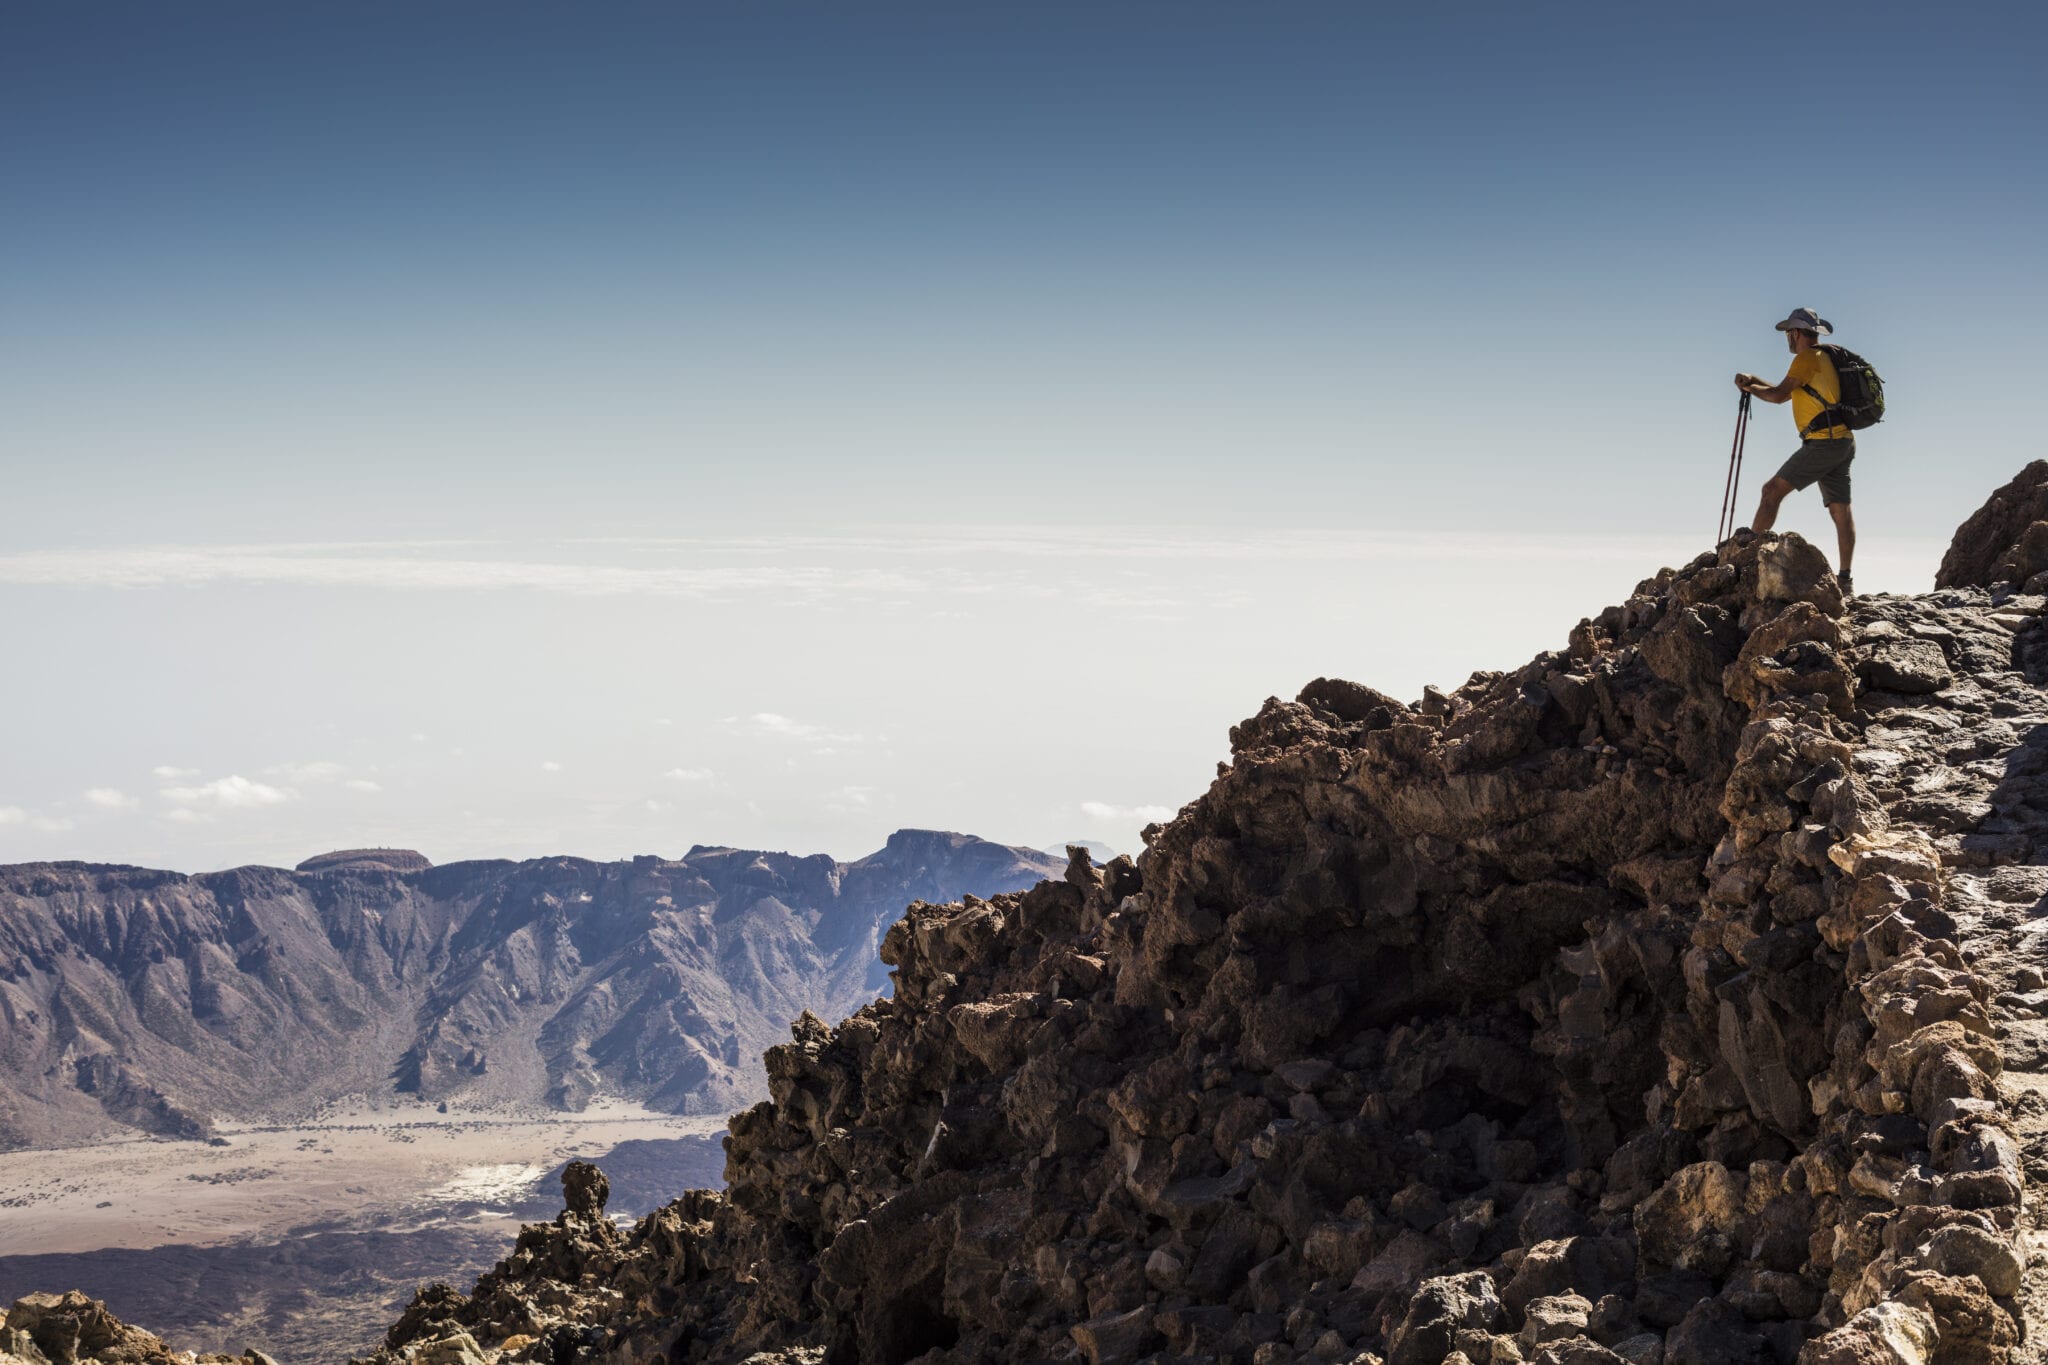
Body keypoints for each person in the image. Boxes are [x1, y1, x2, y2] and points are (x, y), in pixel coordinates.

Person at [1735, 307, 1856, 595]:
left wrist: (1750, 389)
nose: (1787, 338)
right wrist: (1753, 381)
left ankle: (1751, 559)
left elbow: (1777, 396)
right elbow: (1784, 391)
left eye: (1789, 333)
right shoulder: (1821, 359)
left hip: (1822, 443)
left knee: (1771, 491)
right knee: (1841, 511)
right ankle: (1845, 581)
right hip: (1841, 441)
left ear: (1796, 333)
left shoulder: (1806, 358)